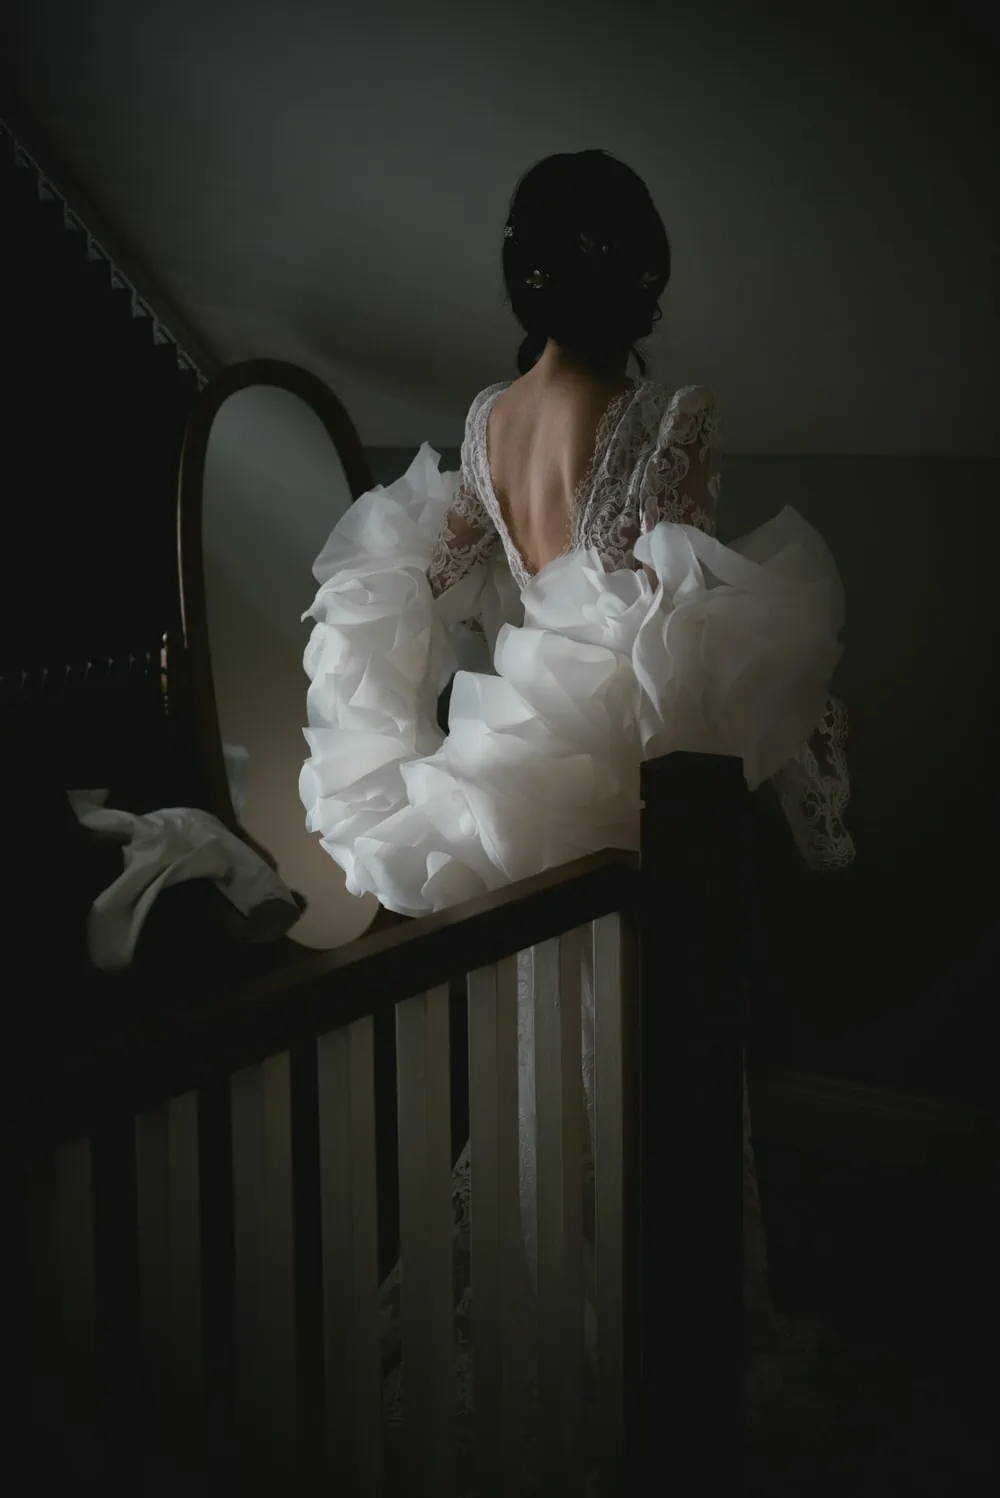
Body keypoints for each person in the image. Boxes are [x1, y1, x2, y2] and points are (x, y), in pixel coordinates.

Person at [299, 149, 855, 1475]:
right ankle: (653, 1332)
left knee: (541, 1056)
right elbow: (681, 624)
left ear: (529, 267)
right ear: (642, 271)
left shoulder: (496, 417)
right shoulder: (667, 419)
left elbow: (423, 564)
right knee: (654, 1052)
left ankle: (541, 1320)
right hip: (627, 768)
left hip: (517, 769)